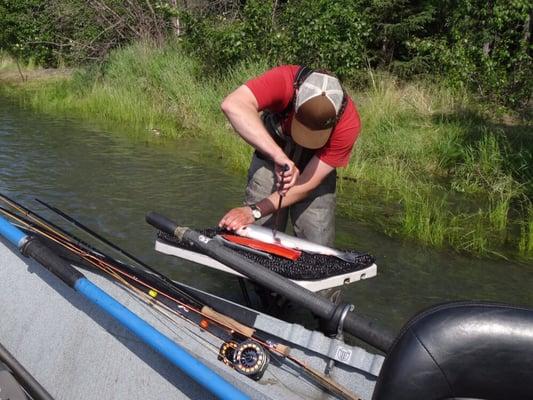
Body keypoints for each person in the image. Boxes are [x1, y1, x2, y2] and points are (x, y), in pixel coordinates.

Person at [218, 65, 361, 246]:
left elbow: (308, 183)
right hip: (271, 160)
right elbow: (232, 105)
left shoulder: (348, 124)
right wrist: (278, 155)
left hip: (314, 171)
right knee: (256, 235)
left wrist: (254, 211)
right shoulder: (283, 80)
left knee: (317, 244)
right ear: (296, 100)